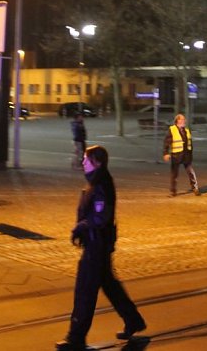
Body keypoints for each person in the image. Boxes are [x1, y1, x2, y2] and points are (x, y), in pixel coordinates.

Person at [56, 146, 146, 351]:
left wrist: (81, 227)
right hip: (98, 244)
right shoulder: (96, 182)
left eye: (86, 160)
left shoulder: (101, 185)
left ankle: (76, 338)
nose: (82, 163)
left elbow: (101, 217)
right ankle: (133, 320)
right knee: (110, 286)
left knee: (85, 290)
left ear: (97, 162)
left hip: (96, 246)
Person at [163, 114, 200, 197]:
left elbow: (190, 144)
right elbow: (167, 142)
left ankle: (195, 188)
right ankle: (173, 191)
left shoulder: (187, 130)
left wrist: (191, 155)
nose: (184, 121)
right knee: (174, 174)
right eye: (182, 119)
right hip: (176, 155)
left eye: (184, 119)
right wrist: (166, 153)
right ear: (177, 121)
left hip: (186, 155)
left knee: (191, 172)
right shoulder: (172, 129)